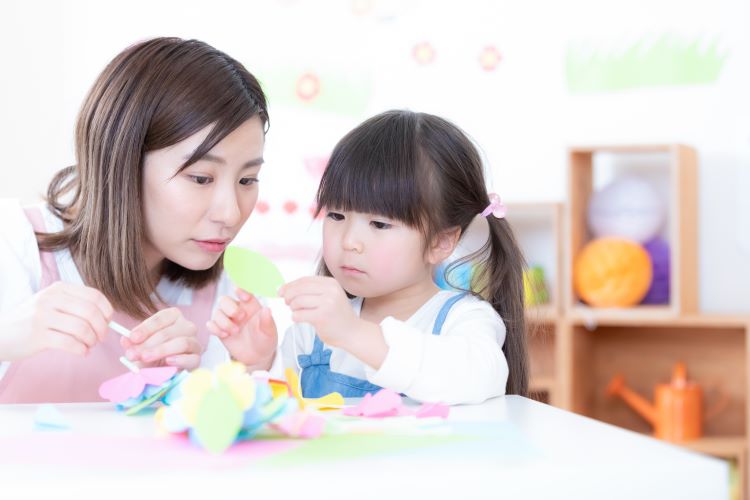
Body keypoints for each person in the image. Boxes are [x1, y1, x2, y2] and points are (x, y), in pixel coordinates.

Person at [0, 37, 269, 403]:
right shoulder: (15, 244)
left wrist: (247, 369)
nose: (231, 213)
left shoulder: (224, 300)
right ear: (123, 162)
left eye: (247, 181)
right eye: (202, 178)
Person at [211, 110, 529, 404]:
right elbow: (280, 420)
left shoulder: (464, 319)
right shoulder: (312, 333)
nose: (349, 241)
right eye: (336, 215)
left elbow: (477, 378)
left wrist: (352, 333)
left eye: (379, 224)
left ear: (441, 242)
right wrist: (258, 363)